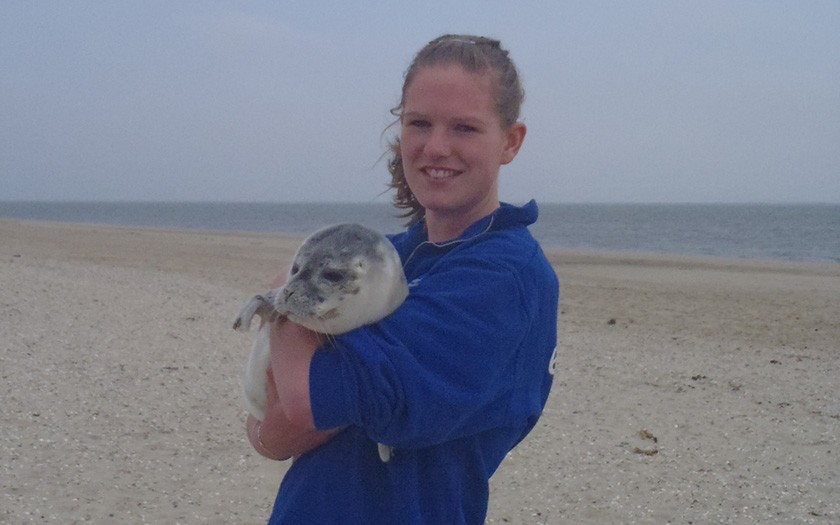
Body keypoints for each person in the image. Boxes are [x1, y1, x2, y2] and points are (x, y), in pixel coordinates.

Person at [245, 34, 559, 524]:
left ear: (510, 141)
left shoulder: (503, 279)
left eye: (465, 128)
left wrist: (288, 290)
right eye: (419, 123)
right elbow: (274, 426)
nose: (437, 146)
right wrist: (285, 409)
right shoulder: (389, 258)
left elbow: (304, 401)